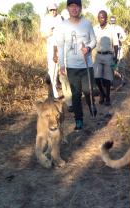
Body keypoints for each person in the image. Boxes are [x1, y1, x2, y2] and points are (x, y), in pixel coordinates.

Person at [56, 0, 97, 130]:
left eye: (76, 6)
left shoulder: (87, 23)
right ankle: (78, 120)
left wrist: (89, 48)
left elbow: (94, 40)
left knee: (88, 90)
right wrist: (62, 64)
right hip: (72, 66)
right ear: (68, 8)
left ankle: (92, 105)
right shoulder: (62, 26)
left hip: (86, 65)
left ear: (80, 8)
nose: (74, 9)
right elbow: (61, 46)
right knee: (76, 94)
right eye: (71, 6)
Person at [93, 11, 119, 106]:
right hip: (98, 55)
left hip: (108, 56)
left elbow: (116, 44)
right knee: (96, 77)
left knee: (107, 79)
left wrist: (116, 57)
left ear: (106, 18)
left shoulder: (111, 29)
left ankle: (107, 96)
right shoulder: (95, 28)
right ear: (98, 18)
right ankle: (102, 93)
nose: (101, 19)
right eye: (100, 17)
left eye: (103, 17)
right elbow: (91, 41)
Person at [40, 3, 63, 99]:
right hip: (51, 47)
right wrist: (49, 33)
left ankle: (60, 88)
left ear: (57, 9)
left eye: (54, 9)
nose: (53, 11)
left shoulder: (60, 18)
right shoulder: (45, 19)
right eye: (51, 10)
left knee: (60, 69)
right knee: (52, 69)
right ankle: (53, 91)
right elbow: (42, 35)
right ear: (48, 10)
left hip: (61, 46)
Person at [52, 8, 73, 112]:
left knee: (72, 81)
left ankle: (74, 100)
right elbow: (55, 44)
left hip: (72, 60)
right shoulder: (57, 29)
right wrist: (54, 54)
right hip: (62, 60)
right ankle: (70, 103)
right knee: (64, 82)